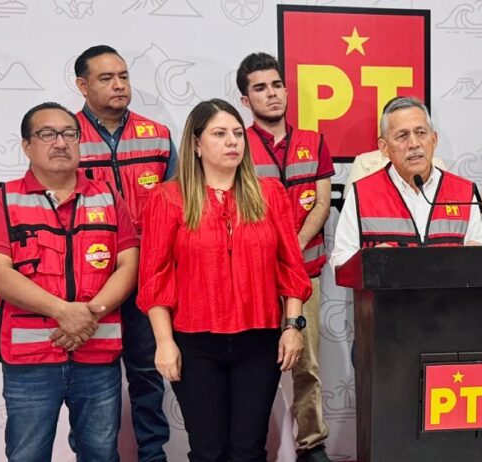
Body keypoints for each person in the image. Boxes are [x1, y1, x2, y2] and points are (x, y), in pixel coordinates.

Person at [137, 99, 312, 461]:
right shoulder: (168, 198)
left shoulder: (269, 194)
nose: (232, 141)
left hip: (260, 342)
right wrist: (164, 342)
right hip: (195, 343)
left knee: (249, 449)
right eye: (219, 134)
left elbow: (291, 266)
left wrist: (292, 326)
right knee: (208, 450)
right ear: (196, 144)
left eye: (237, 133)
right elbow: (155, 276)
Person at [0, 102, 139, 461]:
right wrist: (63, 312)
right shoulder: (4, 200)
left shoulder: (108, 197)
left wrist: (90, 314)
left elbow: (129, 264)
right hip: (30, 362)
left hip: (97, 356)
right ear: (26, 145)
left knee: (101, 453)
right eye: (47, 134)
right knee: (27, 455)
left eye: (69, 134)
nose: (61, 143)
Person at [74, 44, 175, 460]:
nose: (119, 85)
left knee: (148, 374)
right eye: (106, 78)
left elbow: (178, 208)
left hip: (147, 278)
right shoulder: (66, 138)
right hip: (90, 283)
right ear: (82, 85)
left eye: (123, 76)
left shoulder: (158, 135)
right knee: (90, 380)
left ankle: (153, 454)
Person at [236, 51, 334, 462]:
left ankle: (312, 444)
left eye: (277, 85)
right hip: (252, 277)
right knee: (252, 369)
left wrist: (291, 248)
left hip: (305, 274)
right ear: (246, 100)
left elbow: (323, 203)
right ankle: (249, 447)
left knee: (306, 366)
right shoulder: (237, 143)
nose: (272, 93)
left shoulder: (314, 141)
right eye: (260, 88)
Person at [330, 96, 482, 269]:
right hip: (387, 288)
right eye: (402, 136)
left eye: (421, 133)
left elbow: (479, 257)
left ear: (434, 139)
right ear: (384, 147)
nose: (414, 144)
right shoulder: (362, 193)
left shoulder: (463, 192)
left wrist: (477, 258)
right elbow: (340, 261)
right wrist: (370, 261)